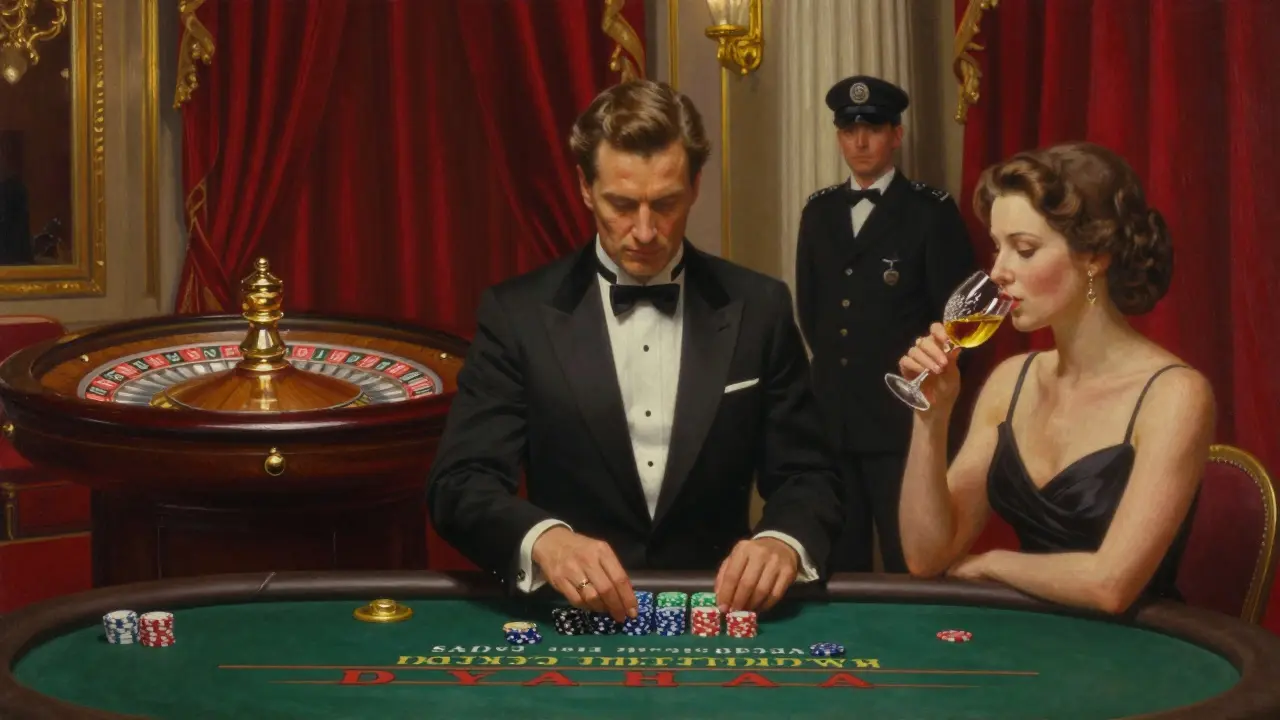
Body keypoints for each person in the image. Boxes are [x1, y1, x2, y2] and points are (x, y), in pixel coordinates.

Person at [426, 79, 845, 623]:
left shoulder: (760, 307)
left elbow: (809, 476)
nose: (644, 231)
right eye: (621, 205)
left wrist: (783, 541)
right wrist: (546, 542)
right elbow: (460, 483)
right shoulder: (517, 315)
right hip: (567, 620)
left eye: (665, 204)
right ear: (584, 187)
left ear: (695, 186)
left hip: (715, 617)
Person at [896, 141, 1214, 614]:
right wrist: (932, 417)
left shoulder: (1175, 395)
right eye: (997, 247)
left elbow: (1111, 586)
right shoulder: (1011, 380)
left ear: (1095, 256)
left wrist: (991, 564)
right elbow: (926, 557)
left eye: (1024, 249)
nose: (999, 271)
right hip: (1031, 637)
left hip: (1139, 652)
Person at [794, 75, 977, 574]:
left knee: (910, 563)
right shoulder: (818, 212)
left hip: (903, 421)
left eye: (872, 128)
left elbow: (958, 322)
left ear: (896, 134)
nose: (859, 141)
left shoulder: (930, 213)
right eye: (849, 129)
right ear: (838, 135)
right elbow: (811, 313)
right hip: (834, 419)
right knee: (839, 564)